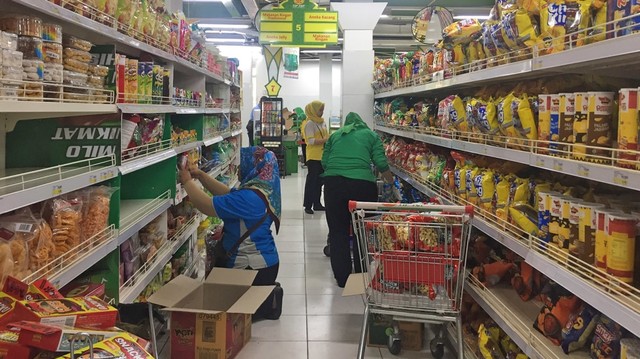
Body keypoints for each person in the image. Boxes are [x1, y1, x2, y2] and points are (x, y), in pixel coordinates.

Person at [178, 146, 283, 320]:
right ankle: (264, 299)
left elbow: (207, 206)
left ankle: (262, 302)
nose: (240, 168)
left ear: (255, 165)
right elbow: (228, 194)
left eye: (243, 163)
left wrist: (187, 182)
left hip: (250, 268)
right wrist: (201, 176)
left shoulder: (249, 198)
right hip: (264, 264)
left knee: (221, 310)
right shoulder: (261, 190)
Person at [321, 112, 393, 288]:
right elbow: (380, 162)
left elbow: (324, 161)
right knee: (362, 230)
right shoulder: (371, 135)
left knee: (338, 231)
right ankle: (361, 273)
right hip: (362, 186)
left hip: (334, 185)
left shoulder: (336, 135)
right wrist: (389, 181)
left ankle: (342, 277)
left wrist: (338, 171)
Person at [302, 100, 328, 214]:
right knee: (312, 181)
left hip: (323, 156)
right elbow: (310, 141)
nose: (322, 112)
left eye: (322, 110)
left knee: (320, 181)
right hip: (313, 156)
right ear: (314, 110)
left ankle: (317, 204)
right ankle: (308, 205)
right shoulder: (309, 123)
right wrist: (325, 140)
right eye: (320, 110)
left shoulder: (322, 122)